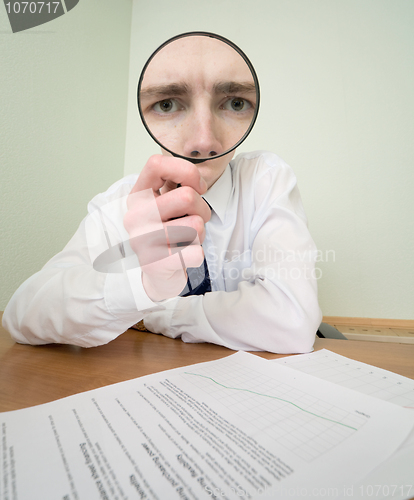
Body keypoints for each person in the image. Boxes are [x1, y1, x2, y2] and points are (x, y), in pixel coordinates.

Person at [2, 33, 322, 353]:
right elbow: (22, 315)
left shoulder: (266, 180)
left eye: (235, 103)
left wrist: (159, 313)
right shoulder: (119, 203)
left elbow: (291, 321)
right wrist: (142, 286)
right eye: (167, 104)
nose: (203, 141)